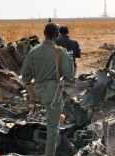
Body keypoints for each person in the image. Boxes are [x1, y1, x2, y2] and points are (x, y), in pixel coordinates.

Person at [21, 23, 74, 156]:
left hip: (39, 91)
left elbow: (25, 75)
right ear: (57, 35)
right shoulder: (59, 51)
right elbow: (70, 75)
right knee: (53, 128)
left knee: (53, 118)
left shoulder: (33, 50)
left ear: (44, 33)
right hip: (53, 94)